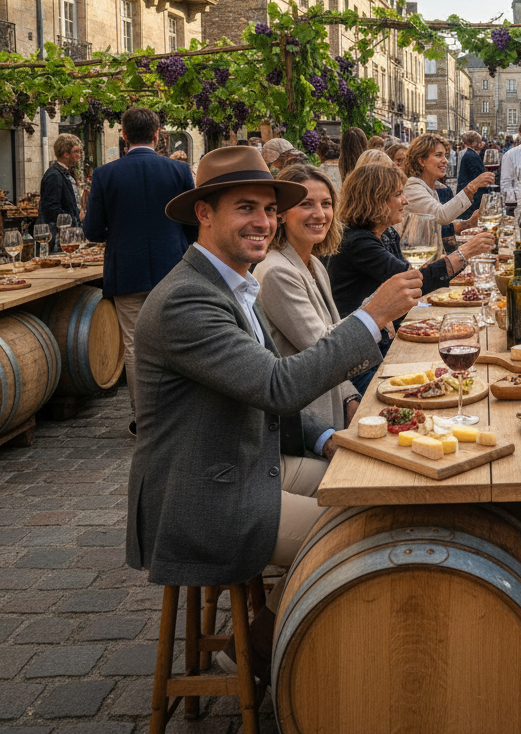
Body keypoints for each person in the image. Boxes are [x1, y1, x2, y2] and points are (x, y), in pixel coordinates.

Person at [127, 145, 423, 681]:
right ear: (204, 214)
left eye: (267, 209)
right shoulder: (187, 300)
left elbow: (259, 396)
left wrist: (328, 437)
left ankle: (282, 641)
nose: (262, 222)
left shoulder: (234, 282)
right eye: (246, 208)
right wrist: (373, 315)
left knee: (369, 491)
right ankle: (258, 659)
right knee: (358, 533)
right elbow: (276, 385)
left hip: (246, 460)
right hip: (205, 493)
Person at [83, 107, 196, 434]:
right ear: (158, 134)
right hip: (173, 268)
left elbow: (92, 230)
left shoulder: (105, 174)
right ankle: (180, 414)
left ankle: (145, 419)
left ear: (123, 135)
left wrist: (118, 236)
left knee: (134, 346)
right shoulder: (177, 170)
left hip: (127, 270)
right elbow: (192, 224)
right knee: (176, 341)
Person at [329, 162, 493, 347]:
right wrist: (464, 253)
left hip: (381, 335)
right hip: (359, 348)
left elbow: (411, 274)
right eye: (398, 195)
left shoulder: (386, 233)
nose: (405, 201)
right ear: (376, 199)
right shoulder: (359, 243)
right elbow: (412, 282)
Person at [253, 162, 361, 430]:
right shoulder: (277, 271)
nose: (319, 214)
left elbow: (332, 340)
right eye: (306, 204)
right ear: (282, 214)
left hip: (335, 406)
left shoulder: (314, 264)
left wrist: (350, 396)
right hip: (309, 424)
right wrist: (376, 311)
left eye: (326, 203)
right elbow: (324, 348)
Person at [403, 134, 494, 231]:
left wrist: (468, 223)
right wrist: (472, 186)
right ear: (421, 161)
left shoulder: (429, 187)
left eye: (445, 156)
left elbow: (436, 226)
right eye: (438, 155)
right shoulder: (413, 187)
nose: (445, 161)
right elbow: (441, 216)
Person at [40, 133, 83, 227]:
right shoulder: (54, 175)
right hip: (61, 235)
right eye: (76, 152)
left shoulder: (64, 173)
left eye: (80, 152)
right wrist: (74, 220)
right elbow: (51, 210)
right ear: (66, 154)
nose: (79, 155)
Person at [456, 130, 487, 220]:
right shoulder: (471, 156)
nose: (481, 144)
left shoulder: (465, 153)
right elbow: (478, 177)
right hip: (473, 199)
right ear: (474, 143)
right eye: (479, 142)